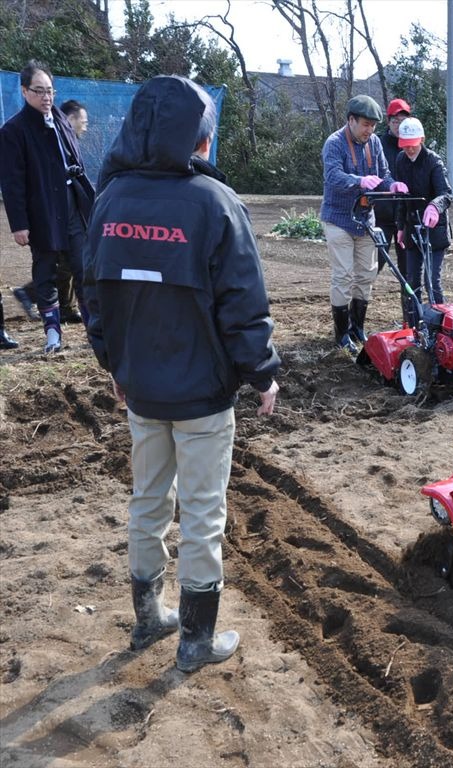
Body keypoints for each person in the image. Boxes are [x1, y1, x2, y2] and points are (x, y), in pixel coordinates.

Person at [82, 75, 280, 673]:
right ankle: (195, 641)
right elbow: (243, 304)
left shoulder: (111, 200)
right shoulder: (215, 205)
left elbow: (95, 295)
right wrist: (262, 373)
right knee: (200, 512)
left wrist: (114, 363)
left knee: (147, 500)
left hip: (141, 387)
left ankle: (150, 615)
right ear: (197, 138)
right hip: (201, 395)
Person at [0, 61, 95, 352]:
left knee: (83, 267)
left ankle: (94, 331)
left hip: (72, 205)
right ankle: (52, 332)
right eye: (39, 91)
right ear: (25, 91)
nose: (46, 97)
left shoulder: (60, 119)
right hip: (41, 210)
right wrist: (19, 223)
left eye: (50, 91)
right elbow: (12, 181)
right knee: (46, 270)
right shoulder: (14, 130)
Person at [319, 95, 408, 354]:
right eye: (366, 124)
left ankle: (358, 327)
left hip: (366, 219)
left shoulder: (375, 143)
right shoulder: (334, 143)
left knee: (366, 275)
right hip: (338, 218)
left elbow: (383, 175)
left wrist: (391, 185)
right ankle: (342, 334)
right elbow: (333, 175)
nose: (370, 130)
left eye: (373, 125)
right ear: (351, 120)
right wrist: (359, 181)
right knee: (344, 275)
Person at [393, 117, 453, 320]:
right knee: (412, 280)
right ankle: (415, 324)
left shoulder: (433, 161)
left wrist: (434, 207)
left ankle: (440, 323)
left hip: (434, 229)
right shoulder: (401, 161)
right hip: (412, 227)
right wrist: (401, 226)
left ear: (422, 140)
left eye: (413, 145)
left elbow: (446, 194)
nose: (409, 149)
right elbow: (402, 197)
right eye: (405, 145)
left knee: (432, 281)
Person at [376, 98, 411, 275]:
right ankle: (359, 301)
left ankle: (411, 303)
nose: (398, 126)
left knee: (408, 270)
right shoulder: (378, 145)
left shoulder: (413, 147)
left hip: (405, 218)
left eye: (403, 122)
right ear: (388, 122)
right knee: (374, 264)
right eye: (395, 121)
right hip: (382, 217)